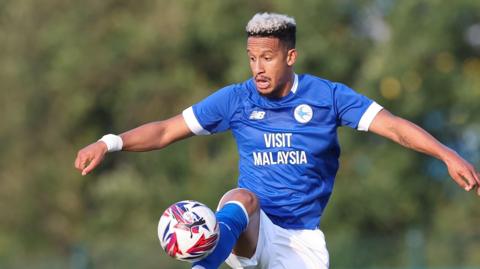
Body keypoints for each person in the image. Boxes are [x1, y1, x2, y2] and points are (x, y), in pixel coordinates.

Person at [75, 13, 479, 269]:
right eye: (252, 58)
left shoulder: (329, 97)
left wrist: (445, 153)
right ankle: (206, 262)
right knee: (242, 198)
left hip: (301, 242)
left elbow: (392, 126)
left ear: (290, 56)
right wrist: (108, 143)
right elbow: (164, 130)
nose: (257, 68)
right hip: (253, 229)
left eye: (266, 57)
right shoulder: (236, 99)